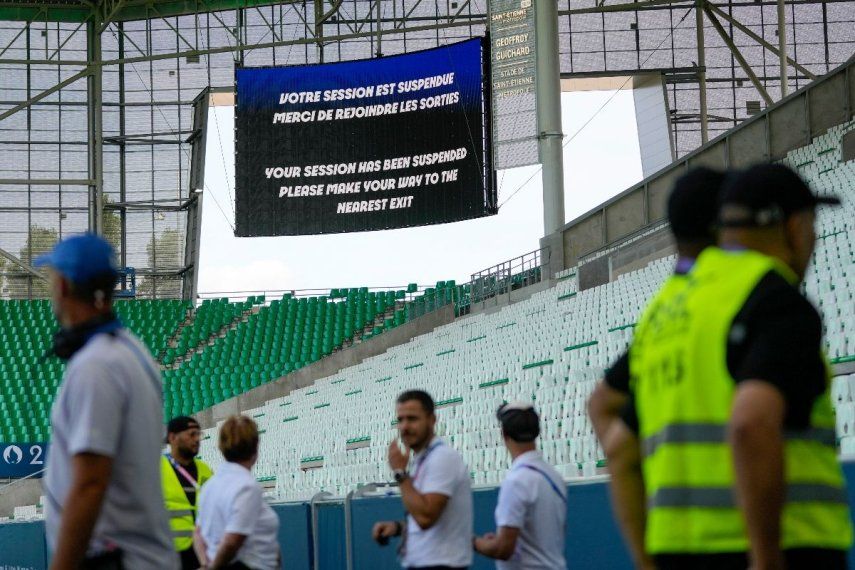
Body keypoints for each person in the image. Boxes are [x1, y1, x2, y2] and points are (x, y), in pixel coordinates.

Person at [613, 164, 852, 570]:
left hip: (676, 550)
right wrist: (766, 559)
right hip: (789, 545)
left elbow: (620, 447)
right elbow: (750, 423)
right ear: (794, 227)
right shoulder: (773, 296)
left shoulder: (667, 312)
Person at [587, 166, 724, 569]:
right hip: (738, 540)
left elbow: (602, 409)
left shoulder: (659, 315)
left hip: (670, 538)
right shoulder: (742, 298)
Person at [37, 233, 176, 570]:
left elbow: (90, 484)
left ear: (65, 286)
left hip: (115, 560)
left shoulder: (96, 366)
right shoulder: (130, 351)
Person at [372, 390, 473, 569]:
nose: (404, 426)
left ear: (432, 420)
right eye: (400, 420)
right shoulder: (424, 459)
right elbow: (431, 519)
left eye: (412, 419)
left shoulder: (442, 458)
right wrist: (397, 528)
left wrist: (400, 474)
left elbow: (426, 517)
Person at [473, 402, 566, 569]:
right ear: (537, 431)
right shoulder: (554, 476)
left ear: (504, 434)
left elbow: (503, 549)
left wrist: (472, 542)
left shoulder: (516, 481)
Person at [195, 415, 280, 570]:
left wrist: (204, 564)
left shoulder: (210, 486)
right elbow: (232, 541)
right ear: (255, 448)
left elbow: (198, 533)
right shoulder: (246, 486)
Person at [162, 416, 214, 569]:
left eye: (199, 434)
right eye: (191, 434)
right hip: (170, 555)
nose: (197, 439)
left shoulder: (205, 470)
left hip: (203, 554)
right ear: (172, 438)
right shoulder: (156, 468)